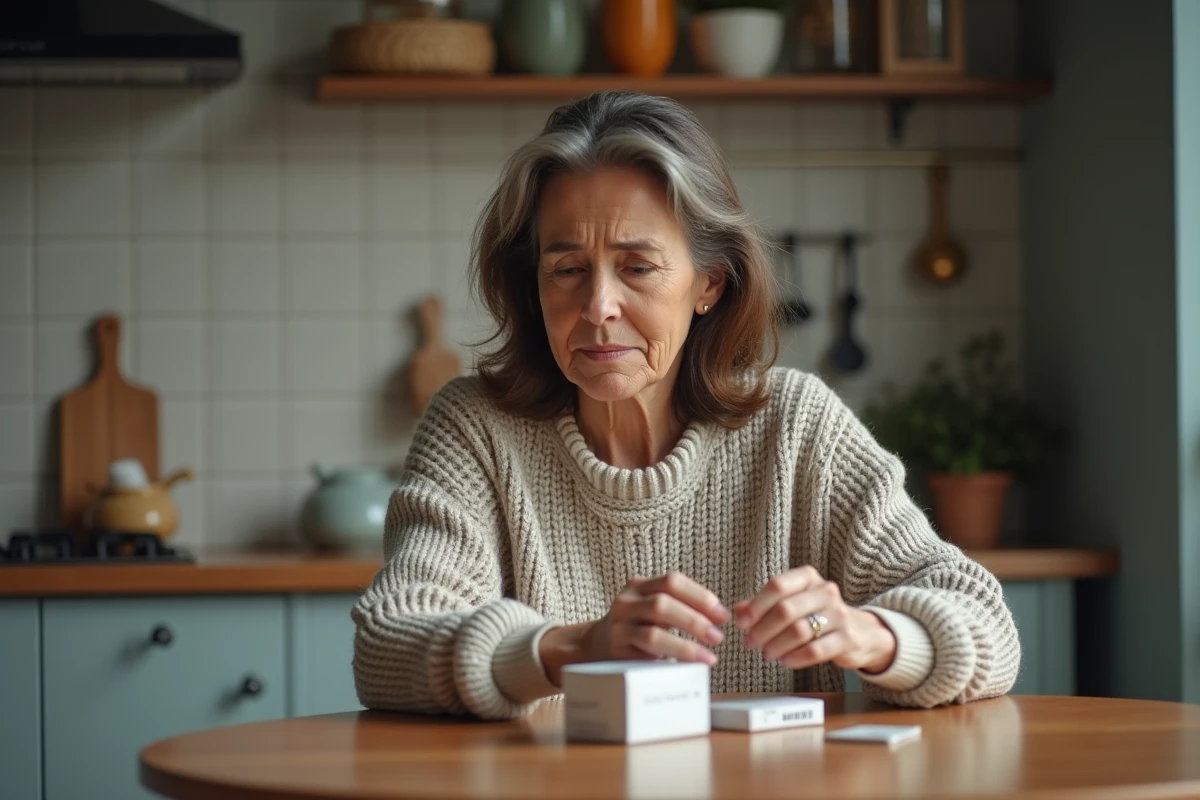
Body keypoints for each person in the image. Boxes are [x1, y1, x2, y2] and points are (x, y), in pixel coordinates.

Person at [352, 91, 1019, 720]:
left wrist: (866, 634)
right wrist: (574, 650)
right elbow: (387, 645)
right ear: (533, 286)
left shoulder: (797, 425)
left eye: (636, 267)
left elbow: (989, 629)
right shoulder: (474, 427)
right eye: (567, 269)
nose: (598, 306)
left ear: (708, 283)